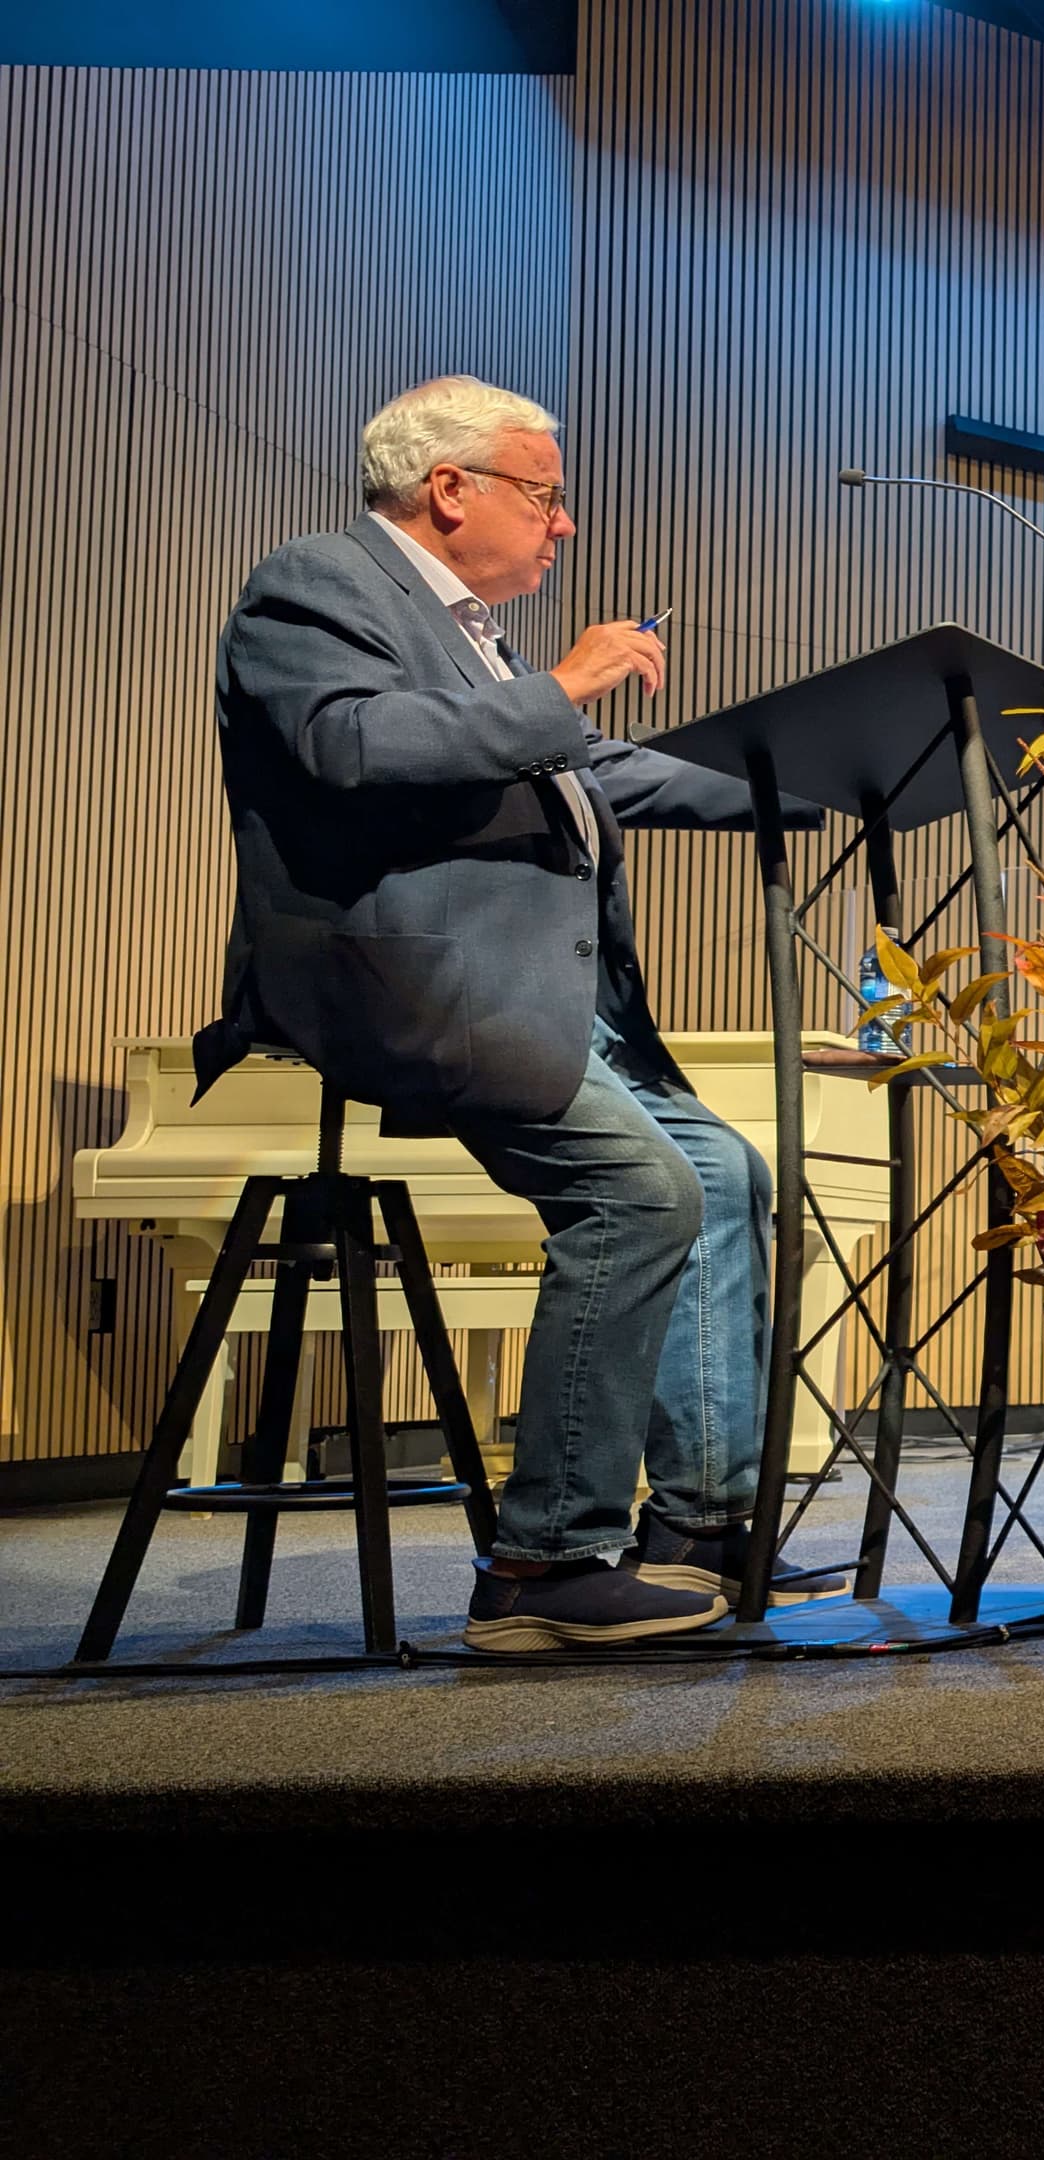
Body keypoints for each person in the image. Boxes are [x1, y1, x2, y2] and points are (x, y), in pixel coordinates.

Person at [203, 375, 813, 1654]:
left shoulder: (474, 634)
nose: (565, 523)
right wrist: (572, 682)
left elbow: (596, 772)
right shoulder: (315, 584)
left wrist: (803, 787)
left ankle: (699, 1528)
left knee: (722, 1171)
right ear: (450, 490)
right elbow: (355, 747)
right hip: (417, 986)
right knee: (640, 1192)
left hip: (543, 999)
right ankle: (545, 1561)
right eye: (546, 494)